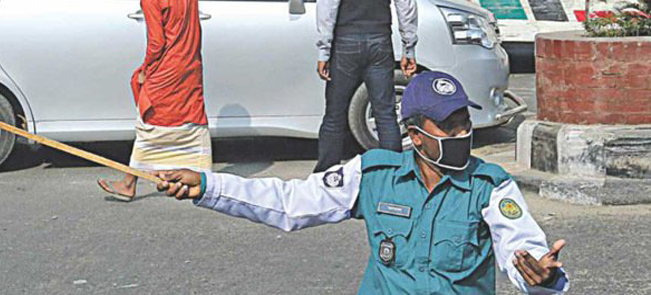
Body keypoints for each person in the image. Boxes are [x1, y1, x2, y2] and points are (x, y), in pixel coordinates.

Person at [155, 71, 570, 294]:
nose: (462, 134)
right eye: (448, 126)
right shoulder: (373, 174)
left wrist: (541, 276)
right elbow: (291, 202)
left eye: (464, 123)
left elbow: (521, 246)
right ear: (416, 134)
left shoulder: (490, 185)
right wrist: (209, 187)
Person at [97, 0, 212, 201]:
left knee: (149, 124)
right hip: (191, 68)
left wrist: (146, 69)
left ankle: (129, 184)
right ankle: (205, 177)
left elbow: (157, 42)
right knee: (193, 123)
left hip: (167, 71)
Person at [315, 0, 419, 173]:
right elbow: (406, 5)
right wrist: (409, 48)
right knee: (385, 113)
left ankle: (325, 175)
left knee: (335, 114)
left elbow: (328, 6)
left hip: (346, 42)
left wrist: (324, 51)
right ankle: (394, 174)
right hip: (380, 42)